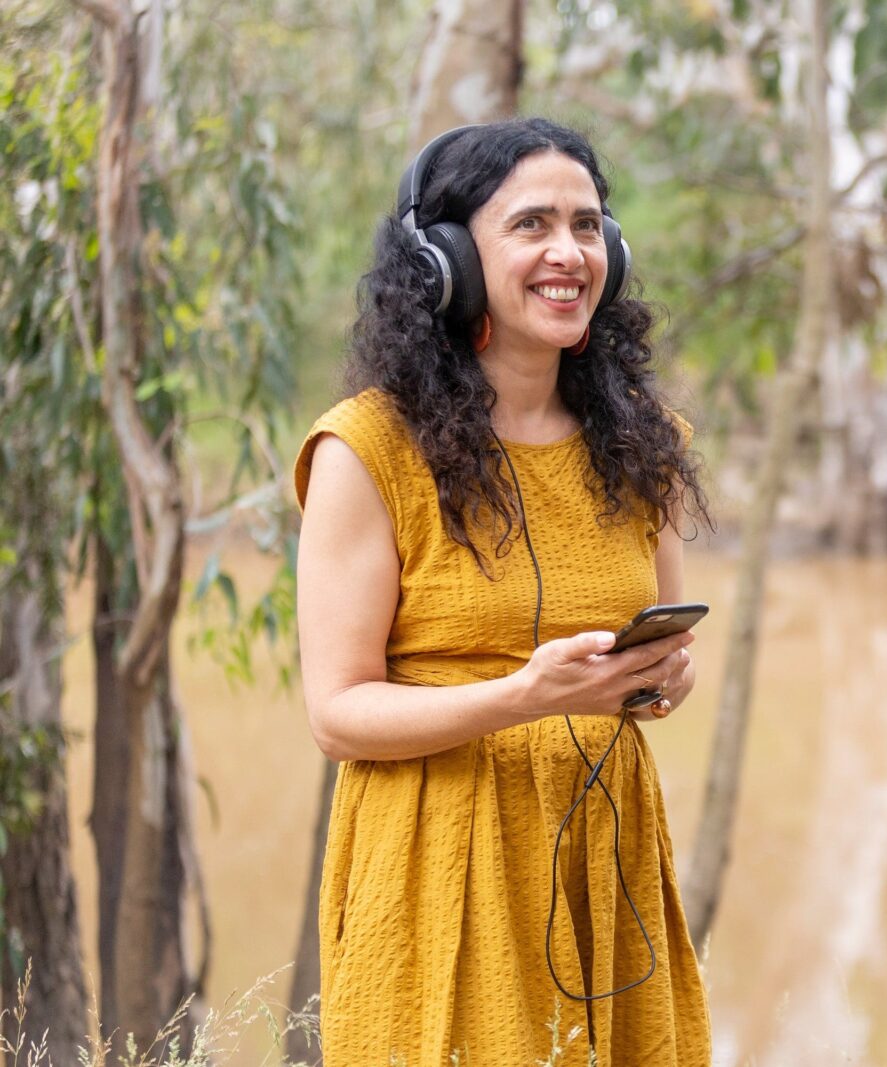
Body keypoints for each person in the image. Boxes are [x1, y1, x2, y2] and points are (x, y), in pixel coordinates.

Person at [294, 117, 714, 1066]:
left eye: (587, 225)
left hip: (605, 864)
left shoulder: (642, 443)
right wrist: (523, 695)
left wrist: (658, 679)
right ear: (448, 260)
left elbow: (658, 659)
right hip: (438, 859)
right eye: (532, 224)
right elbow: (338, 713)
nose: (570, 252)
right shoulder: (367, 450)